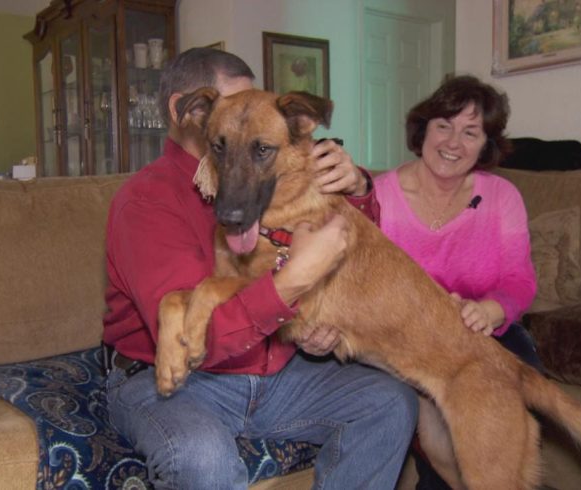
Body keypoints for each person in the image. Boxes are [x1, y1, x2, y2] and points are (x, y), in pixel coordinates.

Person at [102, 47, 418, 489]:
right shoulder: (147, 200)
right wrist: (293, 283)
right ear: (187, 111)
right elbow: (200, 339)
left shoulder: (268, 176)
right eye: (234, 109)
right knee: (201, 454)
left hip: (277, 374)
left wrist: (357, 187)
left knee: (390, 403)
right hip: (176, 382)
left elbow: (346, 257)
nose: (250, 116)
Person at [372, 75, 544, 489]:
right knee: (438, 437)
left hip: (483, 332)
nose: (453, 142)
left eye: (471, 132)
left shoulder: (502, 196)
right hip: (404, 342)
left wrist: (491, 308)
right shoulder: (379, 195)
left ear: (486, 145)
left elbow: (520, 278)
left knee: (515, 403)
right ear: (423, 129)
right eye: (444, 126)